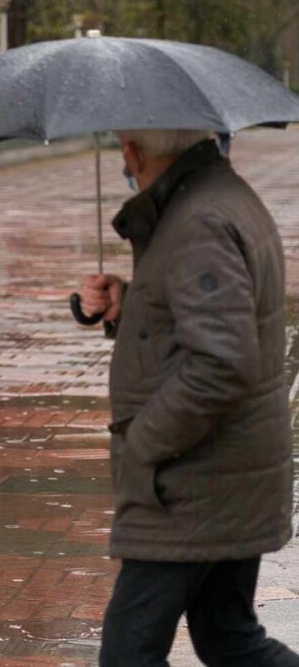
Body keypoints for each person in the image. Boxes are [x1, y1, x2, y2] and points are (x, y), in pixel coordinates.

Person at [77, 129, 298, 666]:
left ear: (135, 151)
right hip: (224, 472)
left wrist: (145, 441)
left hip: (193, 480)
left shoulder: (197, 221)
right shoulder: (212, 196)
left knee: (130, 653)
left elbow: (221, 362)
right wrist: (130, 304)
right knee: (228, 637)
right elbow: (206, 322)